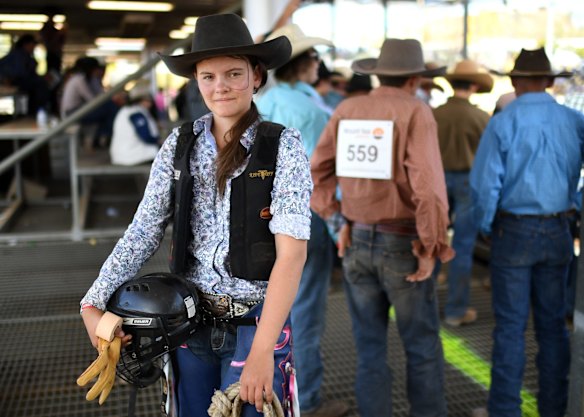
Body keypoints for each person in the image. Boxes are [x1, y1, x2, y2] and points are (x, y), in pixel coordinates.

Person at [79, 13, 312, 417]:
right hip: (186, 322)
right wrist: (93, 301)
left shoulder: (283, 146)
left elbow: (291, 255)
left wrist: (261, 351)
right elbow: (144, 230)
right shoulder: (179, 145)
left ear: (256, 77)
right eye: (208, 77)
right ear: (197, 82)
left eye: (234, 73)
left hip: (255, 324)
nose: (220, 86)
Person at [311, 38, 454, 417]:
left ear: (379, 74)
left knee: (369, 347)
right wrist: (431, 244)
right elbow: (428, 188)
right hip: (403, 243)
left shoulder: (347, 108)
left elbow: (315, 172)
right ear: (415, 78)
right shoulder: (416, 111)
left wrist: (339, 217)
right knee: (421, 346)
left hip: (356, 240)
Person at [470, 47, 584, 417]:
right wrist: (575, 204)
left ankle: (505, 410)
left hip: (513, 231)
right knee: (553, 326)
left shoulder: (503, 122)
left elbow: (485, 184)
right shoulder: (573, 120)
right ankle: (554, 408)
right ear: (550, 82)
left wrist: (486, 226)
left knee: (510, 328)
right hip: (560, 230)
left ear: (516, 83)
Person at [257, 23, 347, 417]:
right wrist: (339, 222)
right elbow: (327, 174)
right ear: (305, 63)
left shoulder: (265, 102)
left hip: (262, 215)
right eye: (315, 58)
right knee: (305, 310)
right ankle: (304, 400)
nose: (319, 65)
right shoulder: (316, 112)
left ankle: (262, 391)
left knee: (264, 307)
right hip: (305, 216)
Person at [432, 59, 493, 327]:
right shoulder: (482, 117)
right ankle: (456, 310)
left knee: (432, 243)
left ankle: (427, 307)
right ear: (475, 85)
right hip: (469, 181)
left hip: (436, 182)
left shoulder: (435, 114)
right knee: (463, 248)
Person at [60, 56, 120, 148]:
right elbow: (92, 99)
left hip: (81, 110)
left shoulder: (90, 79)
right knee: (111, 108)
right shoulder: (79, 79)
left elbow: (101, 94)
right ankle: (103, 137)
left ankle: (102, 137)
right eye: (97, 68)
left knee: (110, 107)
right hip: (72, 113)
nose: (99, 71)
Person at [109, 80, 160, 166]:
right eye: (148, 100)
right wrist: (158, 141)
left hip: (124, 154)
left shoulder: (128, 110)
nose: (150, 103)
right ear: (142, 100)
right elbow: (145, 136)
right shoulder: (135, 112)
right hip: (131, 155)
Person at [0, 33, 50, 115]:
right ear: (26, 44)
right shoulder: (18, 55)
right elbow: (20, 74)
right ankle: (37, 111)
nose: (33, 47)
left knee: (40, 83)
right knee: (40, 84)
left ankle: (37, 111)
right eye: (32, 44)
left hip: (19, 80)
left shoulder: (27, 56)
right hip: (12, 80)